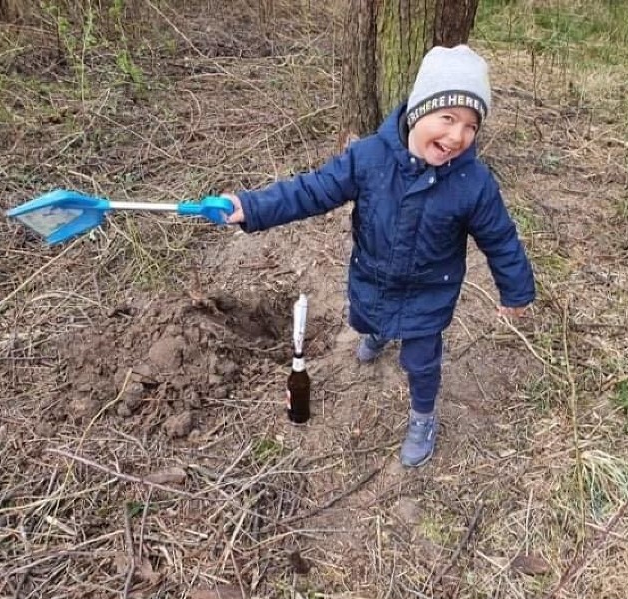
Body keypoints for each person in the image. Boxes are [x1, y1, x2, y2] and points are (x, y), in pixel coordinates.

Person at [222, 45, 535, 468]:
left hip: (429, 294)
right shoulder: (368, 157)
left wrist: (516, 290)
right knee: (365, 318)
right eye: (448, 118)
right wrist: (252, 207)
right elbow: (312, 190)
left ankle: (423, 417)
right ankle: (379, 332)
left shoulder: (473, 183)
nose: (458, 136)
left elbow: (500, 238)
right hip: (373, 276)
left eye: (471, 125)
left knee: (421, 361)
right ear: (419, 110)